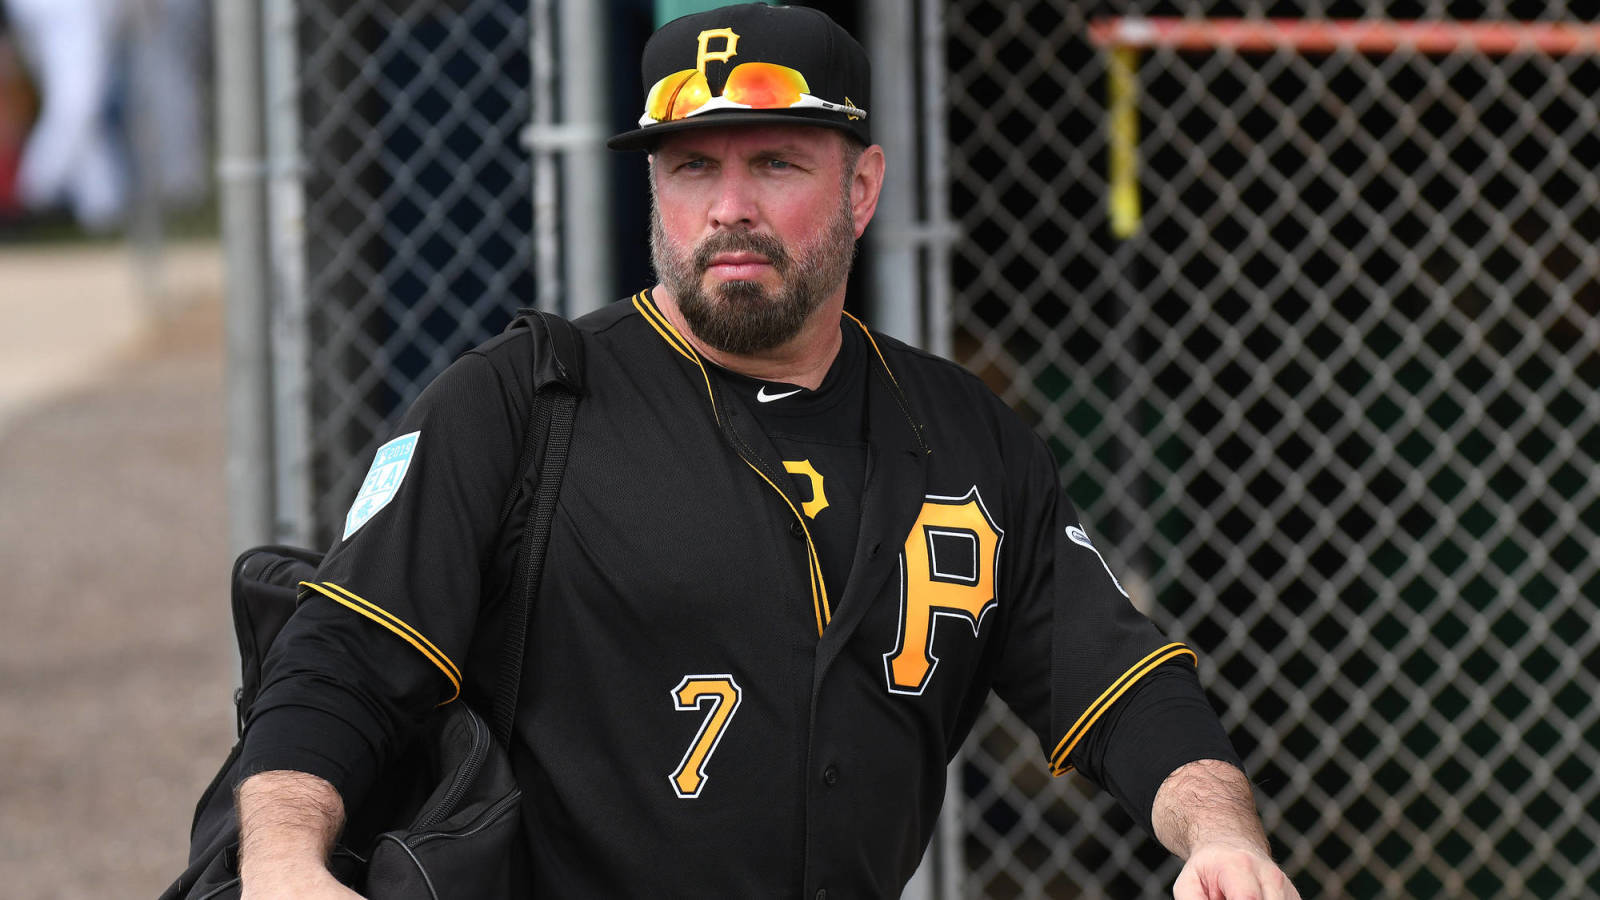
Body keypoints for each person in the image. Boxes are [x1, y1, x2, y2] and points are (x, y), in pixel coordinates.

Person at [234, 5, 1300, 898]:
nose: (729, 209)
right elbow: (338, 663)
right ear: (656, 191)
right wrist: (284, 856)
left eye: (777, 163)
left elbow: (1120, 683)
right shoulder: (519, 404)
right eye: (693, 166)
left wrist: (1220, 836)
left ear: (863, 187)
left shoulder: (963, 433)